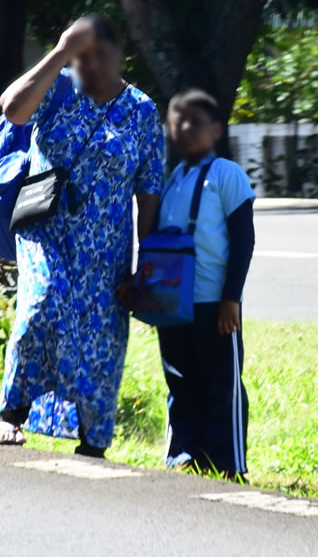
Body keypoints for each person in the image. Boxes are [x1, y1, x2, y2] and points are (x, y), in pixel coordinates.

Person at [0, 15, 165, 458]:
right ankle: (12, 412)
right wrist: (60, 52)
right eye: (79, 56)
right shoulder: (59, 87)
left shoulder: (142, 111)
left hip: (107, 249)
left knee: (101, 337)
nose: (87, 66)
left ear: (116, 54)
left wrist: (147, 264)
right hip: (45, 232)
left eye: (94, 55)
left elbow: (149, 193)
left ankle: (93, 438)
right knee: (42, 304)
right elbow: (12, 108)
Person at [120, 89, 255, 478]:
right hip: (172, 302)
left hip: (214, 302)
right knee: (180, 379)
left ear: (216, 128)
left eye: (194, 121)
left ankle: (229, 464)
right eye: (176, 121)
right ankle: (184, 455)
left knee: (221, 383)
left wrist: (232, 298)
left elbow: (244, 239)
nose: (183, 128)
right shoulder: (172, 179)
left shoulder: (227, 174)